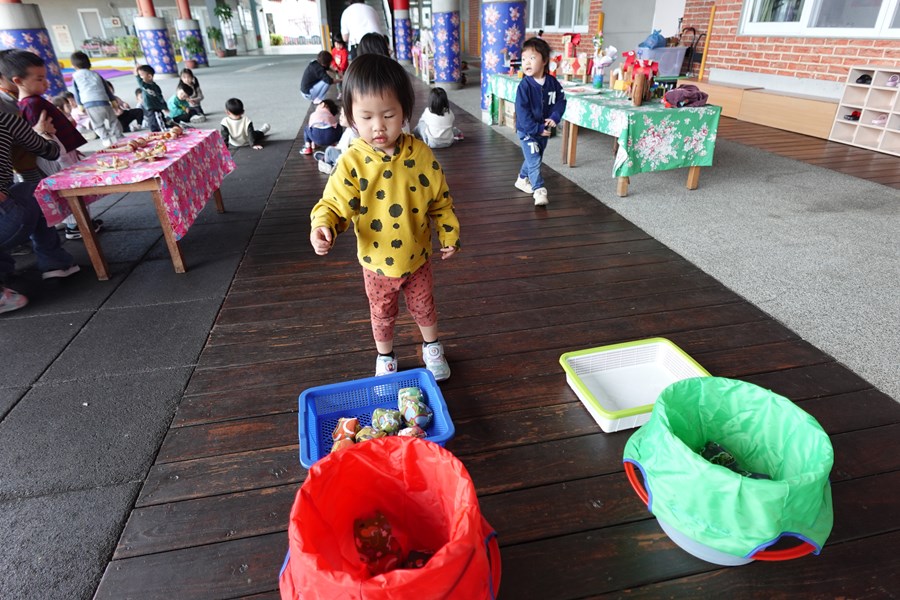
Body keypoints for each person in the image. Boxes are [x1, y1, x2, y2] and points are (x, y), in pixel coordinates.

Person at [309, 54, 460, 381]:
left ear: (405, 111)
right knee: (381, 313)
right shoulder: (353, 161)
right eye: (366, 117)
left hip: (417, 256)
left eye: (389, 115)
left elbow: (440, 200)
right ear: (350, 117)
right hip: (375, 262)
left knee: (425, 305)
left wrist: (449, 234)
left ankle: (432, 347)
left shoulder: (420, 154)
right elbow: (335, 202)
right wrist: (324, 225)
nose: (378, 126)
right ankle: (386, 355)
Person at [6, 50, 101, 239]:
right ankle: (76, 226)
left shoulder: (32, 102)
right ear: (18, 81)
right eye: (39, 79)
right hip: (54, 155)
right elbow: (38, 137)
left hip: (60, 151)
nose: (45, 83)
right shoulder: (30, 104)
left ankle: (79, 222)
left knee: (71, 186)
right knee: (67, 187)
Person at [0, 110, 81, 314]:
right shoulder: (6, 117)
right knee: (31, 190)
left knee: (17, 191)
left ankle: (4, 271)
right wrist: (43, 133)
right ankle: (55, 262)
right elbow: (50, 151)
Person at [514, 36, 566, 207]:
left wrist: (554, 117)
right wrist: (535, 128)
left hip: (544, 129)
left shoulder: (552, 83)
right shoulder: (524, 86)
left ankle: (522, 179)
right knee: (534, 157)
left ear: (544, 61)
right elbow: (522, 113)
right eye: (523, 59)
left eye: (532, 58)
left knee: (534, 157)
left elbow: (561, 100)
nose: (526, 62)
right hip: (527, 130)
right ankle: (539, 190)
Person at [69, 50, 123, 147]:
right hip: (104, 101)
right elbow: (106, 88)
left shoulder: (75, 76)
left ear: (74, 65)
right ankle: (120, 137)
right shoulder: (96, 74)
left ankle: (106, 139)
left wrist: (80, 105)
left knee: (98, 124)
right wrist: (113, 100)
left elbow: (76, 92)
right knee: (113, 121)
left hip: (90, 104)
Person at [313, 106, 357, 174]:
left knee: (329, 150)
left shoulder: (351, 134)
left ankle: (328, 163)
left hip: (344, 160)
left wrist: (335, 151)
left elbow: (346, 150)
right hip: (345, 156)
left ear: (353, 119)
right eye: (341, 114)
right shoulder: (351, 129)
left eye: (343, 115)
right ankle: (327, 158)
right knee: (331, 150)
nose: (340, 117)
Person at [135, 64, 168, 132]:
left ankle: (163, 131)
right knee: (152, 122)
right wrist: (136, 73)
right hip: (149, 108)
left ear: (149, 76)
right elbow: (140, 82)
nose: (140, 77)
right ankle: (154, 132)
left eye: (141, 75)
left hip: (155, 107)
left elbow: (160, 97)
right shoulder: (144, 86)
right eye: (140, 75)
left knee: (159, 120)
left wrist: (165, 106)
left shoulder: (153, 87)